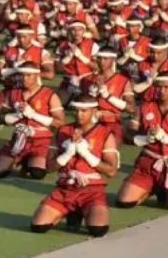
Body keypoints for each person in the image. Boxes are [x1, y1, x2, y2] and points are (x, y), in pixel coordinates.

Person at [30, 95, 119, 236]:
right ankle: (70, 211)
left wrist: (85, 153)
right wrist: (68, 152)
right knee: (38, 226)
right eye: (76, 110)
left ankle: (82, 211)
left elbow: (111, 171)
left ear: (94, 111)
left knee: (98, 230)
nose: (79, 114)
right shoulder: (62, 131)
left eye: (84, 111)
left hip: (92, 190)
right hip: (65, 188)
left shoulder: (105, 134)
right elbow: (48, 167)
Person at [116, 72, 168, 212]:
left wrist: (166, 139)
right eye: (159, 87)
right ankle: (153, 188)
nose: (162, 91)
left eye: (166, 87)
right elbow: (127, 135)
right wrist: (144, 138)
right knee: (124, 201)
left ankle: (167, 191)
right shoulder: (143, 108)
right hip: (148, 163)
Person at [0, 62, 65, 180]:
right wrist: (16, 115)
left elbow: (60, 122)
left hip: (40, 141)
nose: (25, 79)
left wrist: (34, 115)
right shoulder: (13, 93)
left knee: (37, 174)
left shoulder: (49, 95)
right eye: (22, 75)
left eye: (29, 75)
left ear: (37, 75)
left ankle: (29, 161)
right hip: (18, 139)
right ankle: (20, 159)